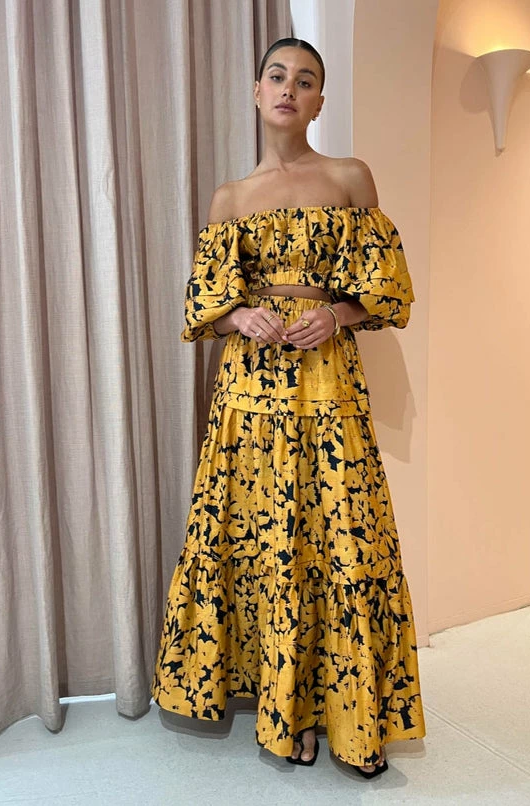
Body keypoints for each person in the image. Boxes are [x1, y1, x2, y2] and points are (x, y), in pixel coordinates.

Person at [151, 37, 426, 780]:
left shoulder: (348, 177)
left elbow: (388, 287)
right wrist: (239, 315)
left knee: (339, 534)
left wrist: (337, 313)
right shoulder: (230, 198)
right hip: (249, 388)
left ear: (318, 102)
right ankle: (289, 712)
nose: (288, 89)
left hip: (329, 380)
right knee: (268, 540)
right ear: (256, 91)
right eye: (277, 76)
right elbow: (204, 301)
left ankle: (351, 717)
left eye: (305, 81)